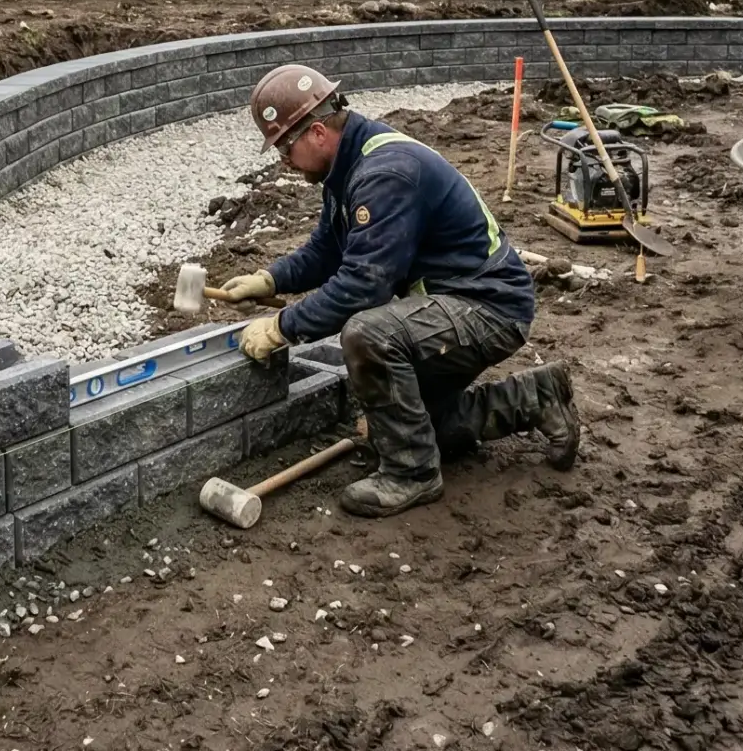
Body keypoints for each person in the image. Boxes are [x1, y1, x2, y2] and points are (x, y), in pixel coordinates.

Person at [215, 63, 578, 517]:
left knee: (368, 333)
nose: (283, 161)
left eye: (285, 147)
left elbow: (363, 284)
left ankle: (411, 475)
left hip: (488, 308)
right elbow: (328, 249)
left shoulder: (385, 174)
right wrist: (272, 279)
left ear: (319, 132)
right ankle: (536, 398)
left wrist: (283, 327)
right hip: (453, 303)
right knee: (425, 427)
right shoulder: (348, 164)